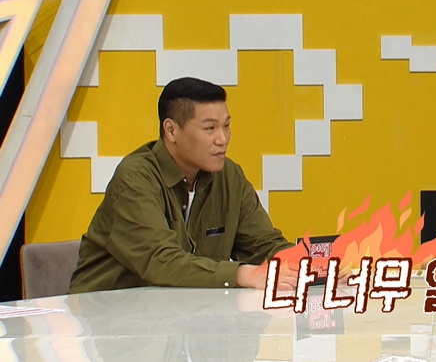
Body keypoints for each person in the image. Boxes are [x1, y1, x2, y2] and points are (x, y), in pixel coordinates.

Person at [69, 77, 296, 293]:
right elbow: (161, 261)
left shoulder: (229, 176)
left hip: (182, 314)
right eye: (210, 128)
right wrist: (241, 274)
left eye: (226, 126)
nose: (222, 139)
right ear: (171, 130)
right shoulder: (135, 179)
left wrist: (302, 263)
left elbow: (264, 244)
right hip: (107, 312)